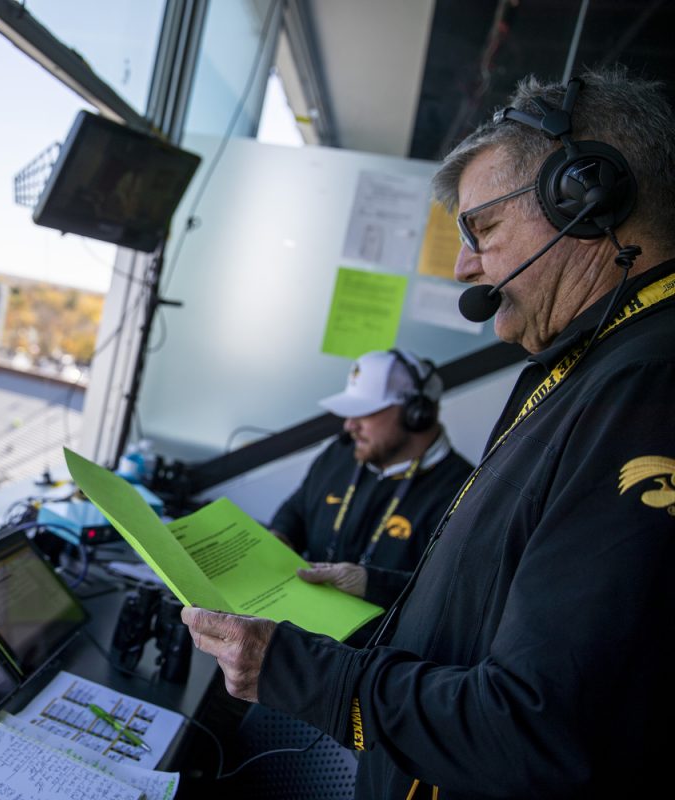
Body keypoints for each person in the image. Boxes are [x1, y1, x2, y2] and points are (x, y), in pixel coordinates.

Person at [182, 66, 675, 799]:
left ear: (588, 197)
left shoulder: (647, 389)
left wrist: (288, 669)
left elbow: (533, 729)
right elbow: (511, 610)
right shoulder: (591, 369)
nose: (464, 265)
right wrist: (372, 588)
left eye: (482, 227)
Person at [271, 349, 473, 612]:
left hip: (376, 648)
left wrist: (371, 584)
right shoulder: (341, 452)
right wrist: (279, 537)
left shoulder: (465, 493)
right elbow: (298, 508)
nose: (349, 426)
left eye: (363, 412)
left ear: (415, 413)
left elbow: (452, 596)